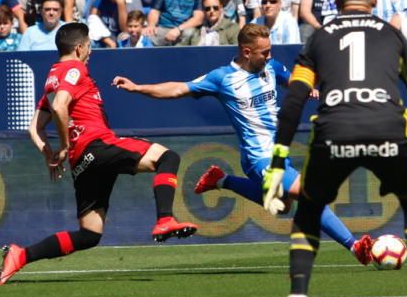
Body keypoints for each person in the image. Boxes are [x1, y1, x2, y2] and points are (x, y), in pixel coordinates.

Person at [261, 0, 407, 297]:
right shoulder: (391, 34)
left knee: (311, 209)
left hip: (335, 129)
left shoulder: (320, 36)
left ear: (338, 0)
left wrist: (278, 162)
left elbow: (295, 100)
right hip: (388, 128)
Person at [113, 22, 373, 262]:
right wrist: (137, 88)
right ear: (247, 52)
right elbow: (178, 88)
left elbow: (292, 79)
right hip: (260, 158)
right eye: (264, 52)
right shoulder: (222, 78)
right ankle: (355, 246)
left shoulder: (270, 66)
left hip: (278, 153)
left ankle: (221, 180)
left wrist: (307, 88)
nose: (269, 56)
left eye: (270, 51)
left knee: (282, 207)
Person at [0, 22, 199, 285]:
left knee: (90, 233)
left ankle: (21, 255)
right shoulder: (75, 68)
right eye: (89, 46)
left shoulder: (53, 77)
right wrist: (64, 145)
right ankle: (165, 219)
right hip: (96, 145)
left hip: (82, 161)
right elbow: (59, 107)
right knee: (168, 158)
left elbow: (34, 127)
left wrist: (49, 153)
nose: (90, 52)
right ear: (79, 48)